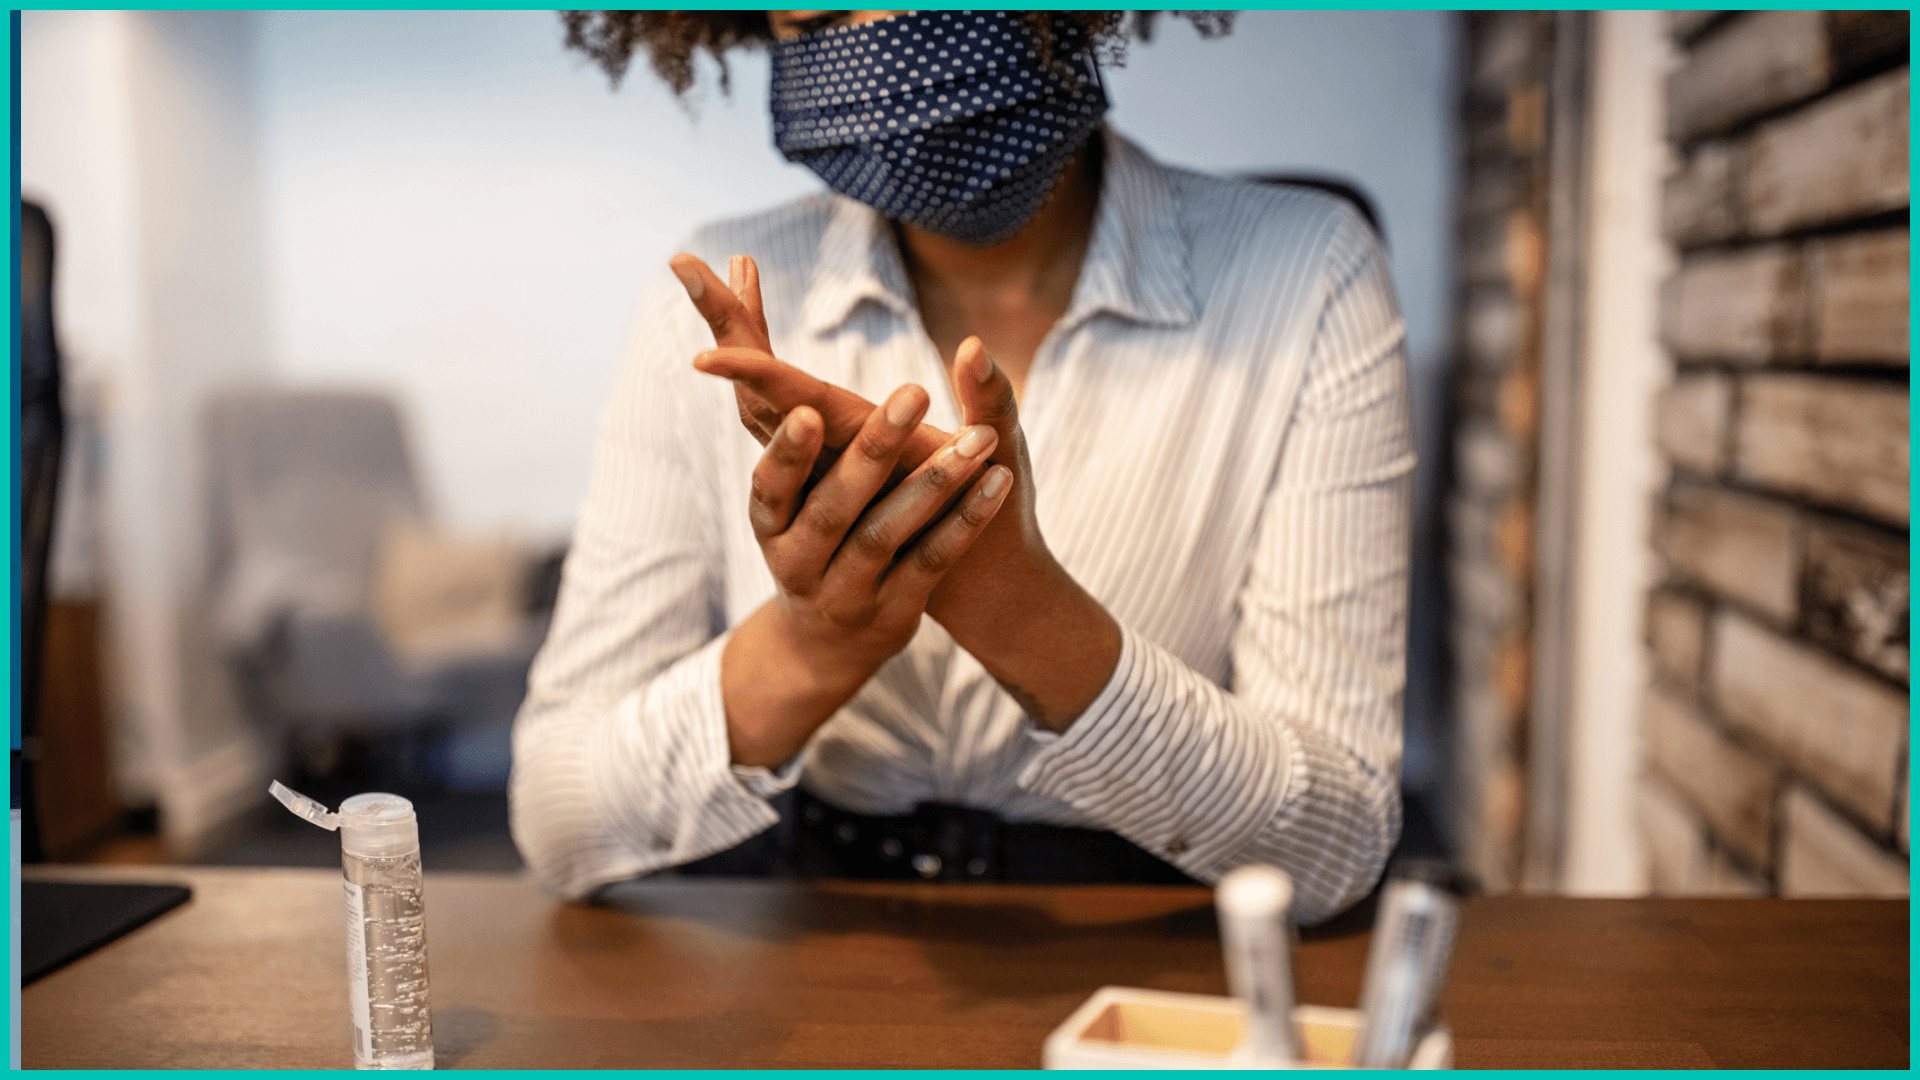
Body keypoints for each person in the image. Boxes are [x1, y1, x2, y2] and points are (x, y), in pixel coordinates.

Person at [510, 9, 1414, 924]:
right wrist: (810, 646)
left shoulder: (1308, 275)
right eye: (823, 12)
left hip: (1156, 960)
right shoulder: (712, 319)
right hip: (816, 953)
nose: (886, 31)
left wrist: (1018, 611)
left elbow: (1334, 845)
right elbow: (559, 819)